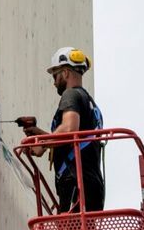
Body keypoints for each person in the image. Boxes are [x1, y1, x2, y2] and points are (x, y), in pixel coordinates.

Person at [17, 46, 104, 212]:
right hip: (90, 185)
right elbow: (75, 136)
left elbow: (69, 130)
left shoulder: (70, 95)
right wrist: (39, 135)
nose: (54, 82)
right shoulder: (89, 103)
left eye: (55, 75)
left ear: (65, 73)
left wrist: (42, 144)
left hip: (75, 182)